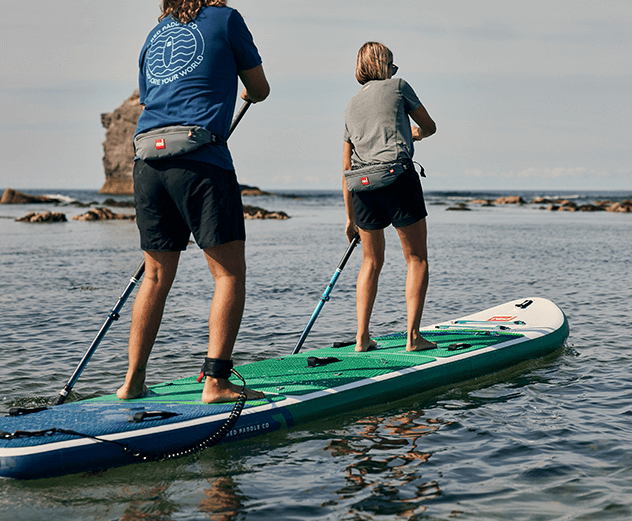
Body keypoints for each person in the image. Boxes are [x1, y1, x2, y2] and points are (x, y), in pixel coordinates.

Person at [117, 0, 269, 403]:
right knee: (228, 274)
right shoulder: (226, 18)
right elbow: (260, 89)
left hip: (147, 161)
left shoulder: (155, 34)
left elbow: (151, 101)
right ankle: (216, 382)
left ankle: (132, 382)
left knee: (154, 277)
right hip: (201, 160)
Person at [342, 42, 436, 353]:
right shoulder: (399, 87)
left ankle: (362, 338)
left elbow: (345, 167)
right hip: (397, 178)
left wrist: (350, 218)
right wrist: (416, 135)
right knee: (416, 259)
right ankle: (412, 337)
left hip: (362, 187)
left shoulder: (351, 105)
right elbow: (429, 126)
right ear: (386, 66)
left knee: (370, 262)